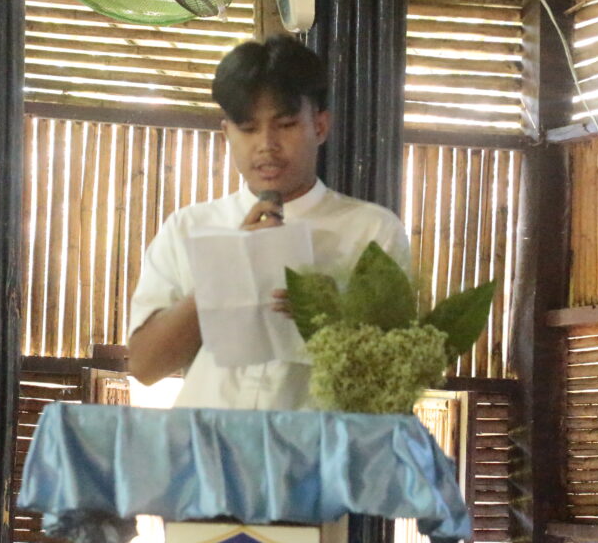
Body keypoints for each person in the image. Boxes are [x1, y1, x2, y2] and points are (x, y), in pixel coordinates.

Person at [125, 35, 410, 410]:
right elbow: (145, 366)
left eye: (286, 124)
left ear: (320, 126)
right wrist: (222, 275)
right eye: (248, 128)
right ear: (227, 133)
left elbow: (394, 382)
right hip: (206, 440)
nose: (266, 144)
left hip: (314, 443)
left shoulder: (372, 231)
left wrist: (330, 319)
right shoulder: (188, 227)